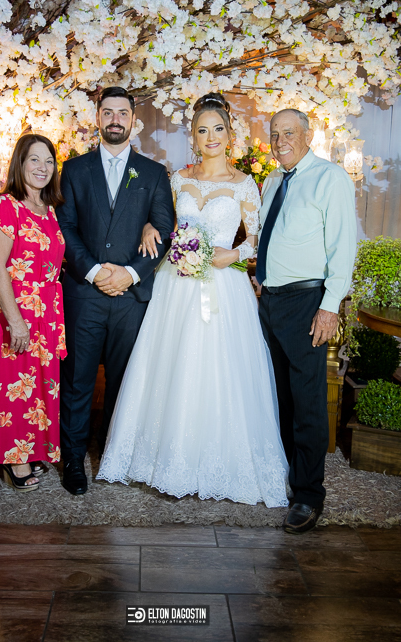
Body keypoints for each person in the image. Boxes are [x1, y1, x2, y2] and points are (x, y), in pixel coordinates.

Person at [96, 93, 289, 507]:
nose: (211, 137)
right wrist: (149, 227)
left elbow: (258, 239)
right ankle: (162, 461)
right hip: (176, 284)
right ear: (194, 138)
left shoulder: (244, 184)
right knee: (170, 364)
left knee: (220, 370)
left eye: (218, 129)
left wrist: (233, 254)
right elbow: (162, 221)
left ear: (230, 135)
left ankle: (220, 464)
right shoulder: (178, 179)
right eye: (202, 131)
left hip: (222, 288)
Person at [56, 86, 175, 496]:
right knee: (78, 381)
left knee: (125, 382)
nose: (115, 120)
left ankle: (113, 455)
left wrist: (130, 274)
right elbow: (65, 227)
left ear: (133, 121)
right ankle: (73, 459)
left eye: (122, 113)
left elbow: (164, 231)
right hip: (84, 294)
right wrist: (92, 272)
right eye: (107, 112)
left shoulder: (154, 173)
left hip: (131, 299)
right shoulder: (74, 169)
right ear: (97, 118)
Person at [256, 108, 357, 533]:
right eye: (275, 134)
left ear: (308, 135)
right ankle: (286, 475)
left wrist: (329, 306)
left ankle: (309, 495)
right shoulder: (272, 181)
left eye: (289, 132)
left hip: (307, 303)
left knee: (308, 402)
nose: (281, 141)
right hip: (269, 302)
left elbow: (343, 247)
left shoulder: (330, 178)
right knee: (278, 396)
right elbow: (265, 238)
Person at [0, 134, 66, 491]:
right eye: (34, 160)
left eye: (49, 161)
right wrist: (16, 322)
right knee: (14, 385)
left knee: (37, 387)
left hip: (47, 313)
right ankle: (14, 460)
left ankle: (31, 448)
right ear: (20, 164)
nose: (43, 168)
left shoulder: (49, 209)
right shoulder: (6, 207)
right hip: (16, 312)